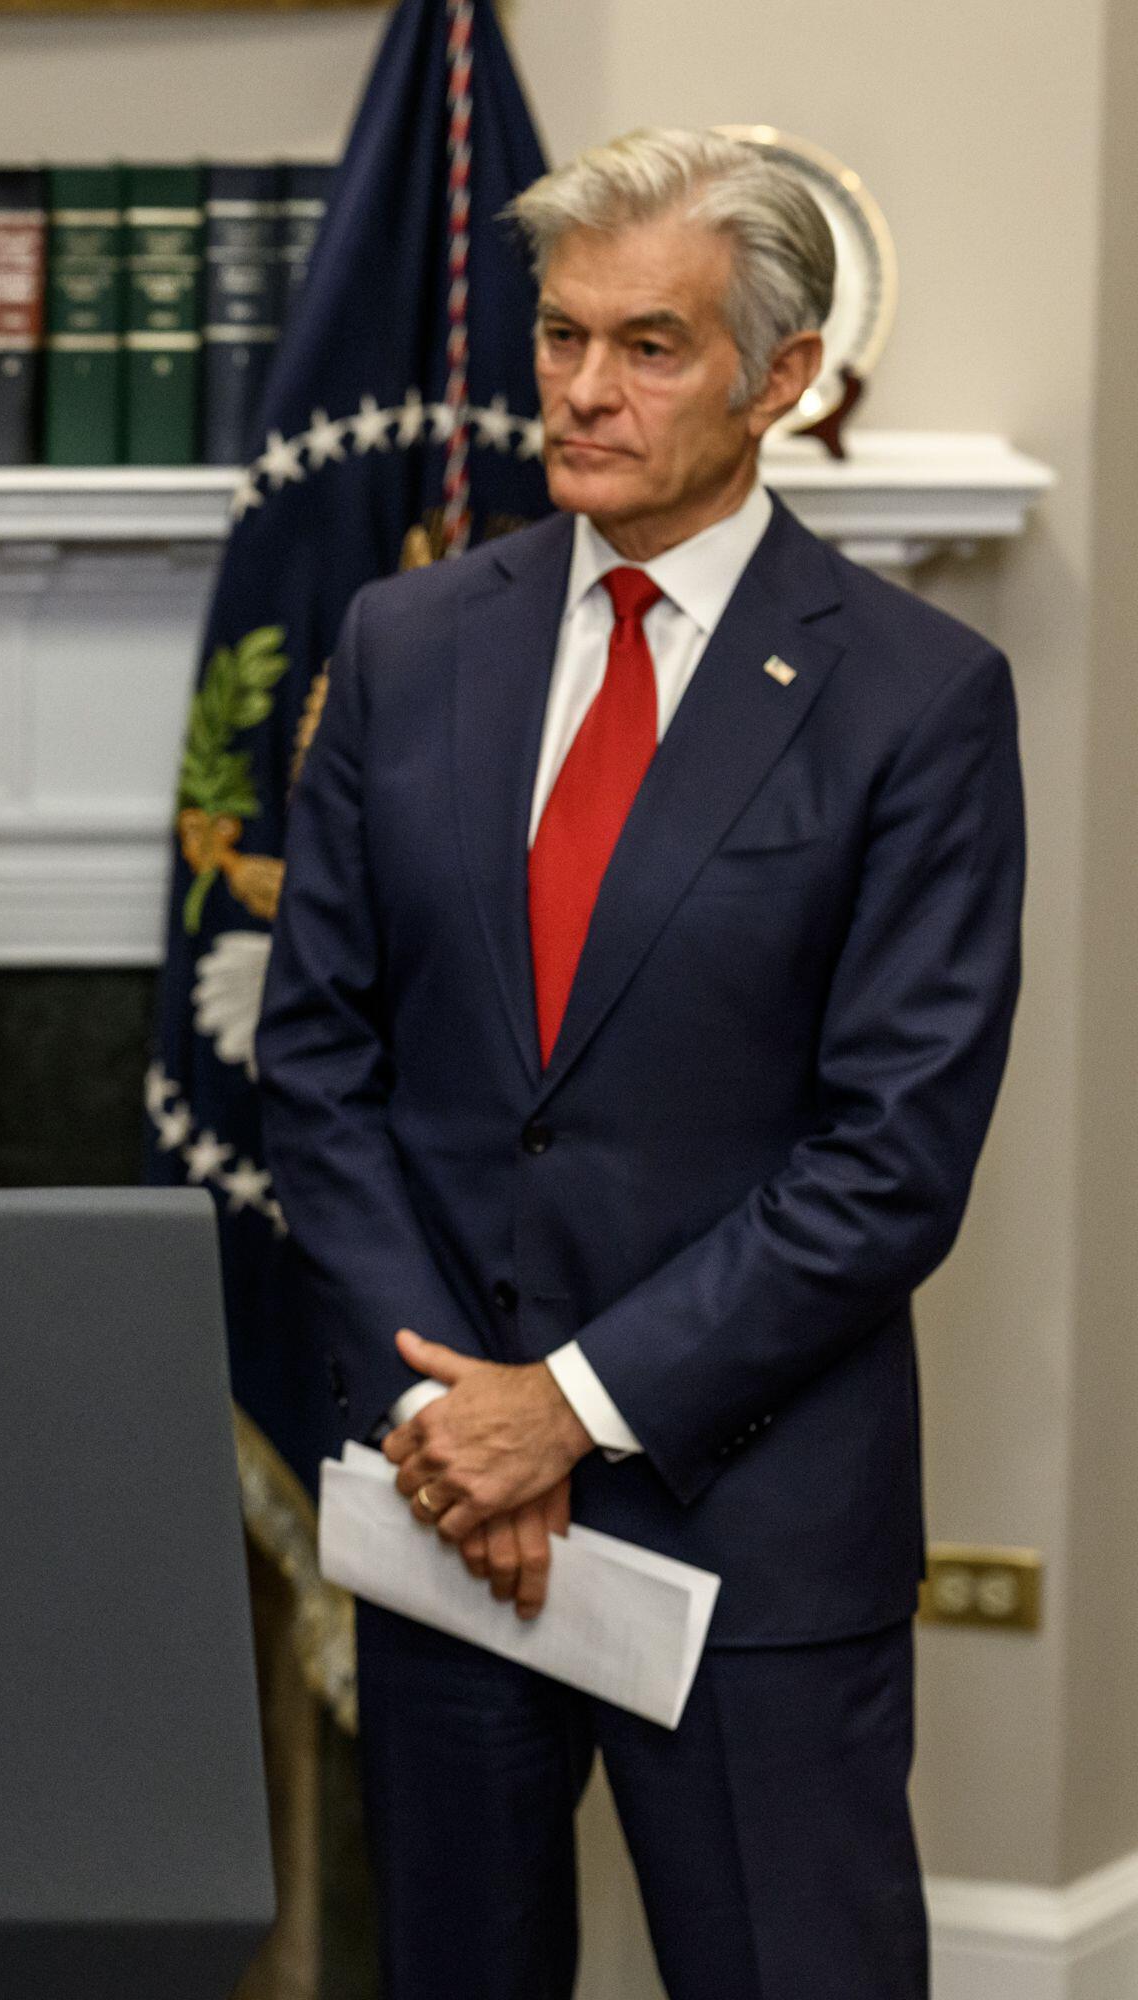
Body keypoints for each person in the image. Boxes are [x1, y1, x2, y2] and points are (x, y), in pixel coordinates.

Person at [256, 129, 1022, 1999]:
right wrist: (463, 1425)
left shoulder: (915, 696)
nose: (585, 392)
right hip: (450, 1520)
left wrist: (574, 1406)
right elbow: (318, 1063)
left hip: (752, 1534)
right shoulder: (410, 639)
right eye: (564, 337)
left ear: (779, 377)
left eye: (653, 345)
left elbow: (890, 1158)